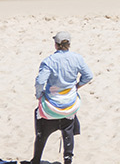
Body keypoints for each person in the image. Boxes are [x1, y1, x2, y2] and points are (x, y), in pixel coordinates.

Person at [32, 31, 91, 164]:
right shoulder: (77, 58)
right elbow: (88, 75)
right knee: (69, 123)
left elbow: (40, 81)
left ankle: (36, 158)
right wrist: (77, 86)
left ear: (56, 45)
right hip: (69, 105)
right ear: (69, 44)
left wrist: (39, 95)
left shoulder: (49, 61)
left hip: (51, 107)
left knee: (38, 116)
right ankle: (68, 158)